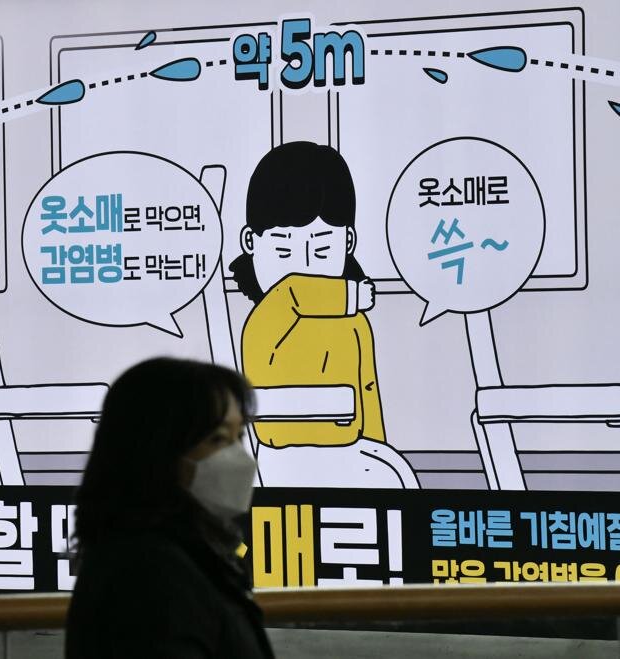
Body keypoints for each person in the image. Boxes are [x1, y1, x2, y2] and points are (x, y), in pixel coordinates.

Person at [230, 141, 417, 488]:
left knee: (395, 479)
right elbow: (295, 292)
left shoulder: (354, 322)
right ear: (250, 243)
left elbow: (368, 390)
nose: (303, 263)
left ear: (348, 242)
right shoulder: (271, 312)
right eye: (284, 249)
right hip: (282, 456)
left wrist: (378, 445)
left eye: (321, 248)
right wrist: (350, 294)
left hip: (353, 451)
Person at [66, 358, 273, 659]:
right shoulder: (146, 574)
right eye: (217, 439)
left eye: (238, 436)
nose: (240, 458)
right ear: (156, 450)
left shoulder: (190, 550)